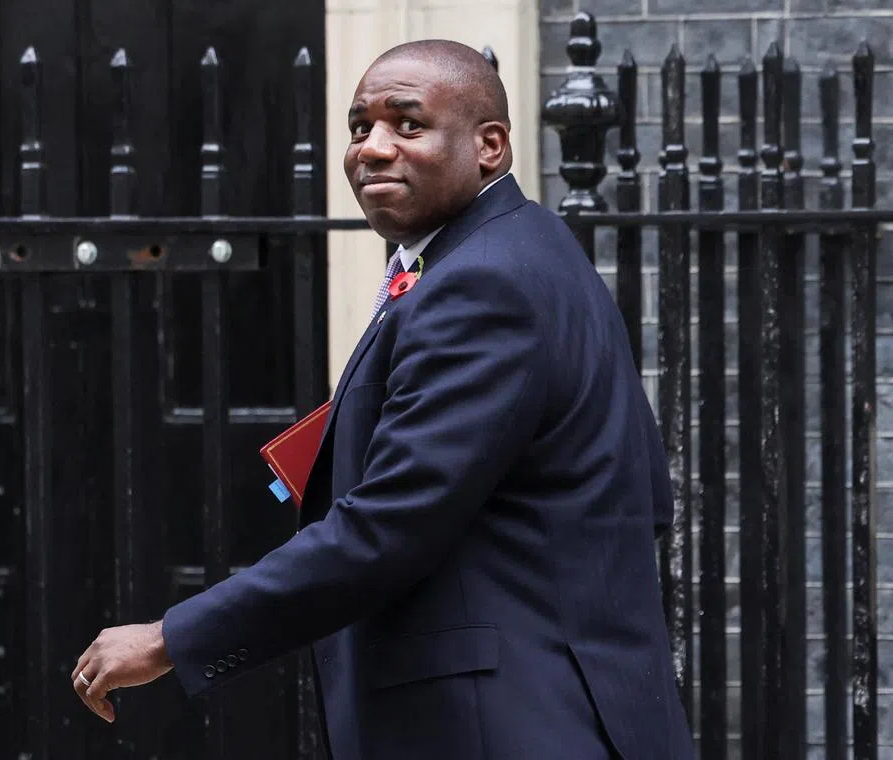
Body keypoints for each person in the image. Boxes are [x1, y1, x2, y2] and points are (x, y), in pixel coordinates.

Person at [71, 39, 694, 760]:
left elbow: (389, 526)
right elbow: (644, 497)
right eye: (359, 126)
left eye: (408, 123)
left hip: (504, 725)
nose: (371, 147)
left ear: (490, 146)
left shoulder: (481, 284)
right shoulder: (520, 251)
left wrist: (170, 638)